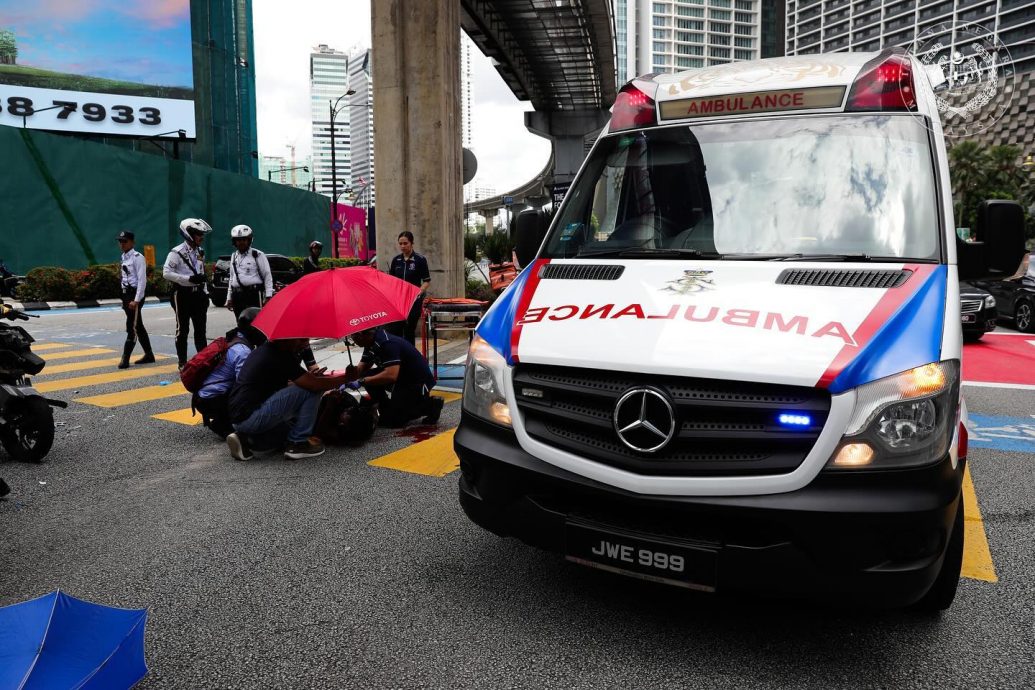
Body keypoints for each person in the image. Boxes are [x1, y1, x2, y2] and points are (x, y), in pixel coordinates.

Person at [226, 338, 350, 461]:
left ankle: (246, 440)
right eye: (301, 340)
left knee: (287, 432)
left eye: (307, 339)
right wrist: (347, 378)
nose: (306, 343)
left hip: (240, 418)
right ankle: (298, 443)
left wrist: (309, 379)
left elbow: (288, 386)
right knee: (312, 390)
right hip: (251, 416)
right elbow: (314, 385)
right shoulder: (281, 355)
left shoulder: (264, 350)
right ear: (286, 339)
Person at [347, 327, 443, 427]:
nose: (353, 342)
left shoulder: (387, 343)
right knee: (367, 375)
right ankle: (385, 408)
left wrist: (362, 382)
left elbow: (391, 375)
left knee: (394, 422)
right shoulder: (370, 342)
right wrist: (349, 377)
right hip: (401, 376)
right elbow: (363, 367)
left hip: (415, 381)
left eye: (353, 338)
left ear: (361, 335)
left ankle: (431, 405)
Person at [193, 307, 265, 439]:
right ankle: (223, 423)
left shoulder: (235, 338)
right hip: (212, 399)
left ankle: (223, 420)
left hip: (205, 396)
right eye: (261, 328)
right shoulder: (242, 351)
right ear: (253, 329)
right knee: (255, 392)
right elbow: (245, 385)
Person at [163, 217, 212, 369]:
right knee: (182, 329)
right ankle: (182, 363)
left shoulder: (200, 252)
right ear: (189, 234)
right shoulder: (176, 252)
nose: (202, 237)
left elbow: (201, 272)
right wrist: (188, 278)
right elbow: (166, 273)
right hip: (182, 295)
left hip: (198, 295)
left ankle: (203, 363)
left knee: (200, 330)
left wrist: (205, 293)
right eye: (199, 234)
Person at [115, 231, 155, 369]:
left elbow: (142, 281)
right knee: (138, 325)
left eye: (124, 241)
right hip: (127, 296)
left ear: (132, 242)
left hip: (134, 296)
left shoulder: (138, 257)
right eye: (120, 241)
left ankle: (125, 359)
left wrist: (136, 300)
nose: (122, 244)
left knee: (132, 326)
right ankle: (149, 354)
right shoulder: (124, 256)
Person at [387, 231, 431, 345]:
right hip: (398, 301)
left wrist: (418, 292)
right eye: (400, 243)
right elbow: (392, 281)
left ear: (412, 243)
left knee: (409, 330)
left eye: (405, 243)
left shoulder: (420, 260)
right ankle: (398, 356)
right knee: (396, 329)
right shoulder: (396, 260)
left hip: (413, 301)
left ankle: (410, 356)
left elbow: (426, 281)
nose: (402, 246)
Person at [225, 224, 273, 320]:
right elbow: (232, 277)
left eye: (244, 240)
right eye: (238, 240)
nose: (241, 242)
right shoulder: (234, 256)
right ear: (234, 242)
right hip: (237, 295)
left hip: (252, 294)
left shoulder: (257, 255)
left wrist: (268, 296)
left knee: (254, 323)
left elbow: (267, 275)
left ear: (249, 240)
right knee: (240, 322)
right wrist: (229, 297)